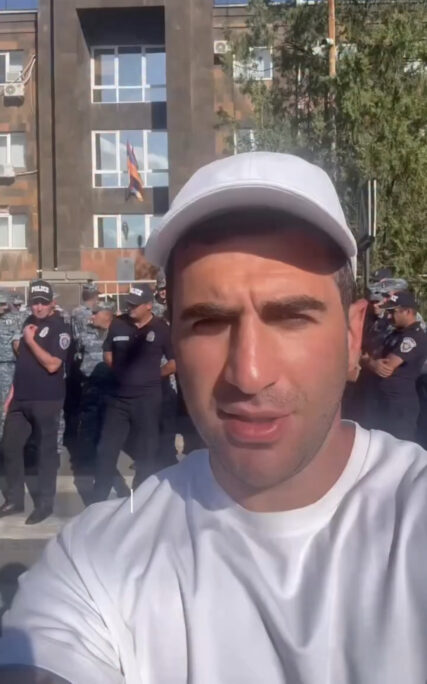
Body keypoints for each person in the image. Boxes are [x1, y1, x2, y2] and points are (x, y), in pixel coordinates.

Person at [2, 153, 427, 683]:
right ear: (176, 338)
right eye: (208, 323)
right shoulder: (98, 558)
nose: (248, 374)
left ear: (351, 334)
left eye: (292, 317)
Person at [92, 283, 175, 501]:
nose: (130, 308)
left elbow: (174, 362)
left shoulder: (161, 329)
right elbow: (107, 352)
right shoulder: (119, 324)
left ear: (148, 306)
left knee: (146, 452)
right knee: (106, 450)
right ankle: (98, 499)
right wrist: (120, 372)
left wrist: (154, 376)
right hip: (118, 400)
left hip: (147, 400)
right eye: (129, 303)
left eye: (135, 305)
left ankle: (140, 499)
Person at [0, 279, 71, 525]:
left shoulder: (60, 328)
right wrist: (12, 392)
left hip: (46, 399)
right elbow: (23, 361)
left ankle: (44, 505)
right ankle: (14, 499)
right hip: (21, 398)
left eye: (42, 303)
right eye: (34, 303)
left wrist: (30, 341)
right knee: (9, 447)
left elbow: (53, 365)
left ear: (52, 303)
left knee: (45, 452)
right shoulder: (28, 322)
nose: (38, 308)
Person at [365, 290, 427, 441]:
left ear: (408, 312)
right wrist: (370, 360)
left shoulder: (414, 336)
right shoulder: (395, 334)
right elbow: (373, 352)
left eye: (393, 312)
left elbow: (385, 367)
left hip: (399, 407)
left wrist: (367, 361)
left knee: (398, 448)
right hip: (382, 402)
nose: (389, 316)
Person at [0, 291, 20, 441]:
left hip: (7, 368)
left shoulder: (13, 320)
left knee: (5, 406)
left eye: (3, 304)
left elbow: (17, 346)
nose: (2, 307)